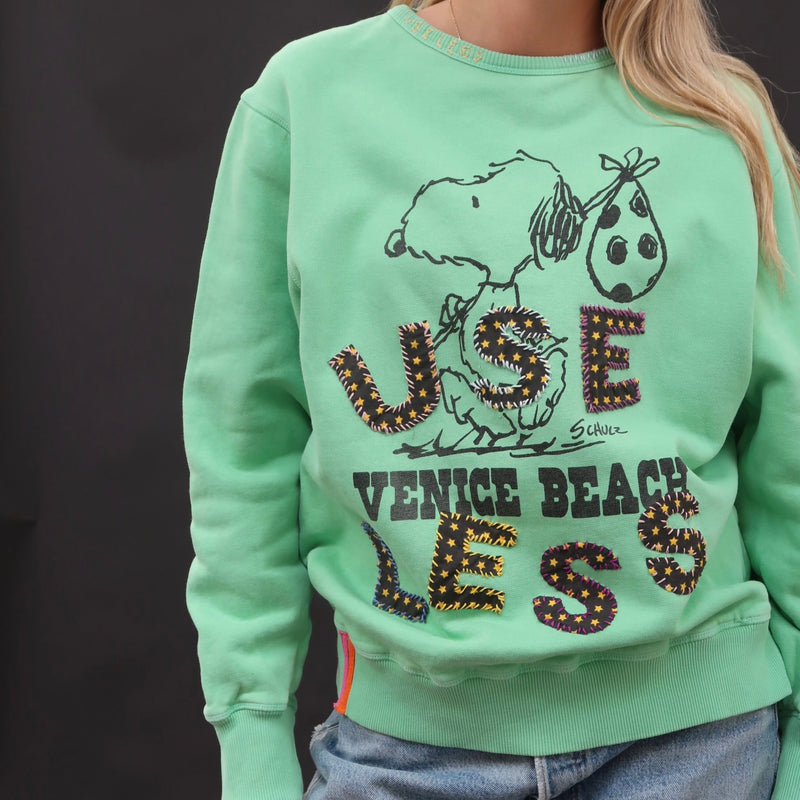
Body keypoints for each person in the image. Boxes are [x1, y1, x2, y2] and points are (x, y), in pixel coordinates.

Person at [181, 0, 800, 797]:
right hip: (406, 751)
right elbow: (243, 443)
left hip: (699, 749)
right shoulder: (308, 101)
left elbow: (789, 454)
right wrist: (251, 737)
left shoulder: (719, 121)